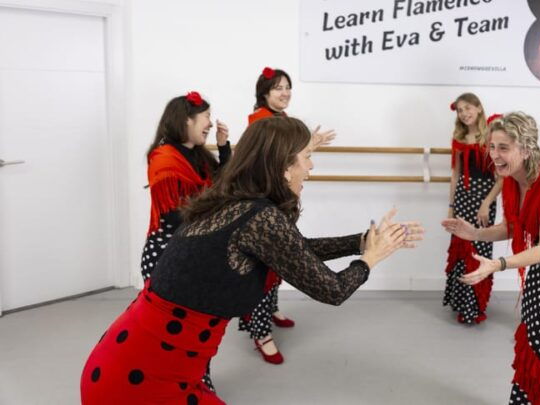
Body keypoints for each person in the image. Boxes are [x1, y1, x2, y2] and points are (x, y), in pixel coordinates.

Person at [80, 116, 424, 404]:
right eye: (306, 156)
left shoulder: (234, 204)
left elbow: (294, 250)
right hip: (141, 379)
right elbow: (331, 290)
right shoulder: (259, 216)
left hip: (128, 361)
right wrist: (370, 259)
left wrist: (361, 241)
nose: (311, 166)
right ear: (284, 166)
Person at [443, 112, 540, 405]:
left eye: (503, 148)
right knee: (533, 342)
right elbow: (513, 227)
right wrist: (474, 233)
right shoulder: (513, 179)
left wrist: (498, 264)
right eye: (491, 146)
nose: (494, 155)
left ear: (525, 149)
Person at [241, 66, 334, 364]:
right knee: (262, 266)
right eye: (278, 88)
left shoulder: (279, 119)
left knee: (276, 261)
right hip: (265, 203)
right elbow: (272, 161)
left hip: (279, 200)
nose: (285, 93)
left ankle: (270, 308)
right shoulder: (260, 121)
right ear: (264, 93)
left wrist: (310, 145)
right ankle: (260, 330)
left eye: (287, 87)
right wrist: (311, 144)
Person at [140, 91, 230, 280]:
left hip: (193, 245)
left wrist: (223, 147)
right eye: (206, 116)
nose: (211, 124)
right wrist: (214, 222)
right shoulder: (164, 159)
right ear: (187, 119)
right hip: (168, 252)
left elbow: (223, 185)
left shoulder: (199, 155)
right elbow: (174, 216)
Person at [443, 93, 502, 324]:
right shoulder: (459, 138)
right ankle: (460, 301)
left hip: (484, 199)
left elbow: (502, 177)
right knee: (461, 248)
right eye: (460, 110)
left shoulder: (491, 135)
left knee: (479, 250)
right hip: (462, 198)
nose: (464, 113)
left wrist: (487, 203)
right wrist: (451, 207)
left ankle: (474, 305)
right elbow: (456, 174)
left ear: (478, 108)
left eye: (468, 108)